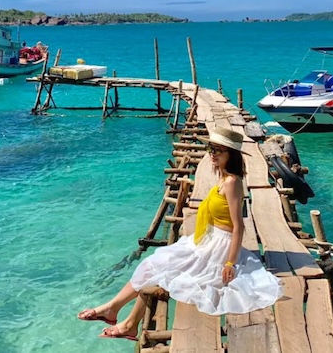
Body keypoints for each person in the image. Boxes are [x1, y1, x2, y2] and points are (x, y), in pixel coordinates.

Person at [77, 127, 283, 341]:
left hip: (219, 247)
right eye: (211, 148)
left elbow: (239, 226)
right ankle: (119, 315)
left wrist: (230, 263)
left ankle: (121, 317)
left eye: (219, 150)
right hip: (209, 240)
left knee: (161, 270)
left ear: (231, 154)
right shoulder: (224, 178)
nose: (212, 154)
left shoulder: (231, 182)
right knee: (154, 266)